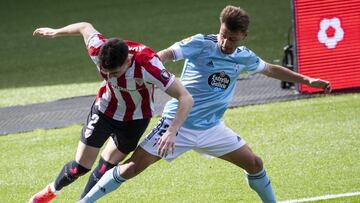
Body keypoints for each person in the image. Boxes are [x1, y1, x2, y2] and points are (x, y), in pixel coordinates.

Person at [79, 5, 332, 203]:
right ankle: (86, 201)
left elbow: (270, 69)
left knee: (254, 163)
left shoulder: (244, 58)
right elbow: (166, 54)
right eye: (223, 35)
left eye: (232, 38)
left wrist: (306, 78)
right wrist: (152, 69)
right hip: (176, 124)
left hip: (211, 128)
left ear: (243, 36)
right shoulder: (200, 43)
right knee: (131, 168)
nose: (225, 42)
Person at [28, 22, 193, 203]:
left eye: (114, 73)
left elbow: (185, 97)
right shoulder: (98, 49)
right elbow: (84, 26)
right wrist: (56, 32)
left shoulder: (148, 64)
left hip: (134, 120)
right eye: (106, 72)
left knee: (105, 168)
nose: (110, 77)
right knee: (80, 167)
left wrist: (172, 130)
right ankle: (51, 191)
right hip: (104, 111)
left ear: (128, 61)